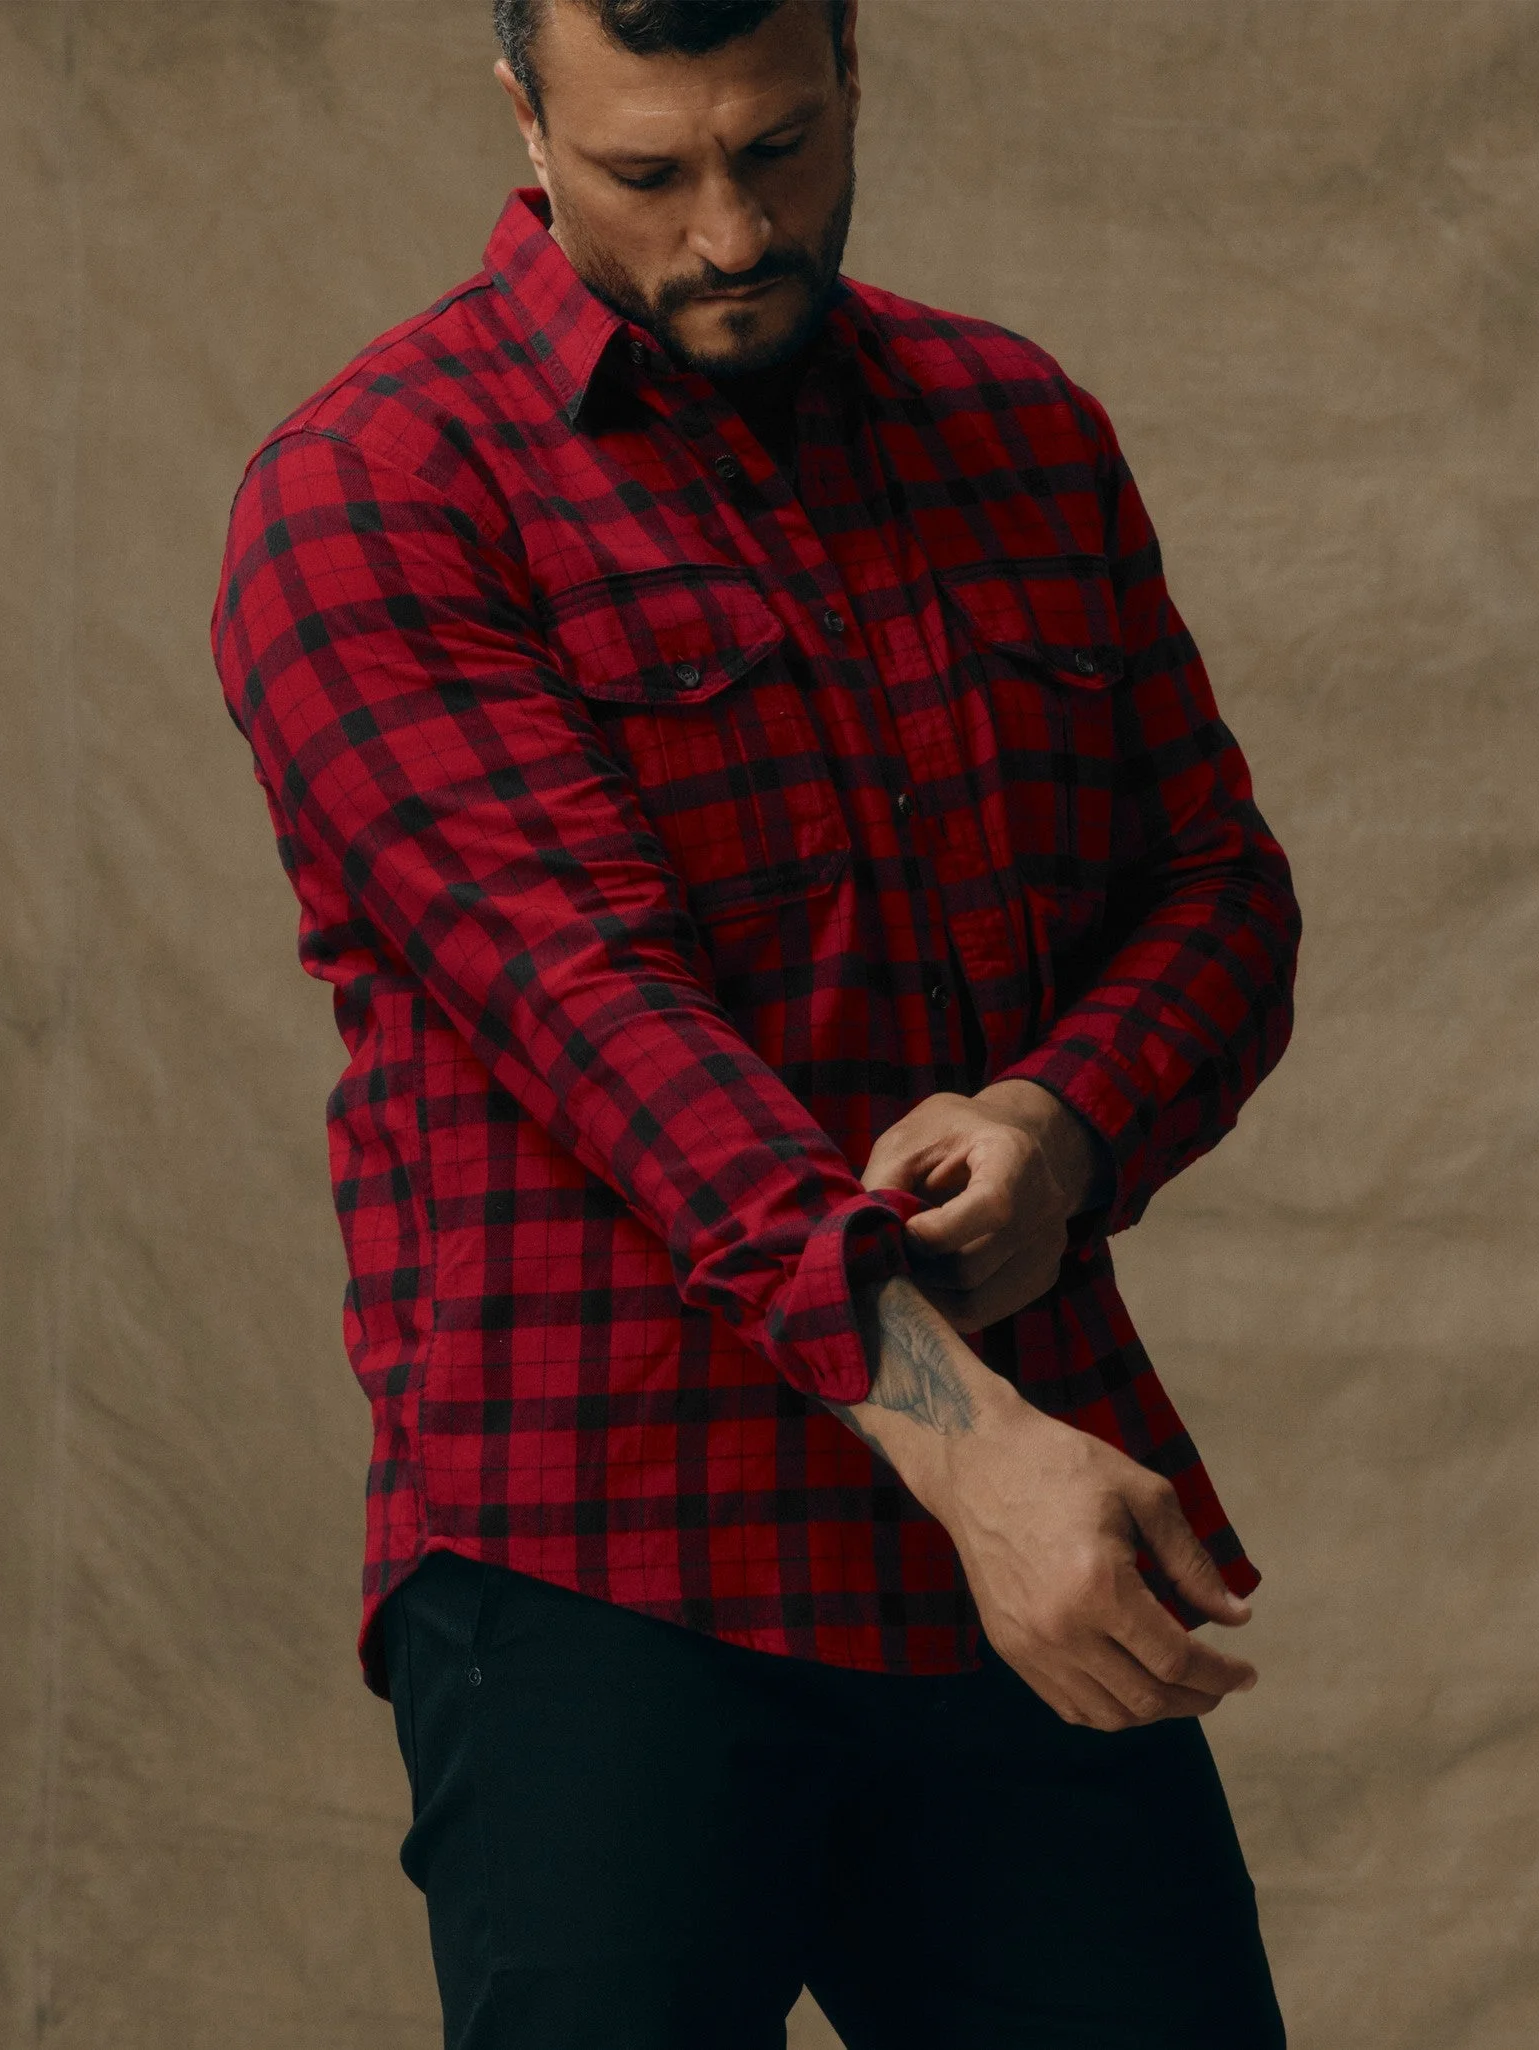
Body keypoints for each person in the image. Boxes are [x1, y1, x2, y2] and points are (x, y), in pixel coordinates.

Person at [213, 1, 1301, 2042]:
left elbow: (1219, 888)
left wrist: (1060, 1119)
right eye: (648, 172)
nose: (729, 233)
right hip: (602, 1558)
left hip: (1010, 1559)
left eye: (779, 149)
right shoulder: (373, 494)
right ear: (528, 118)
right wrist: (973, 1451)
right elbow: (607, 1032)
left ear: (852, 69)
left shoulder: (1020, 430)